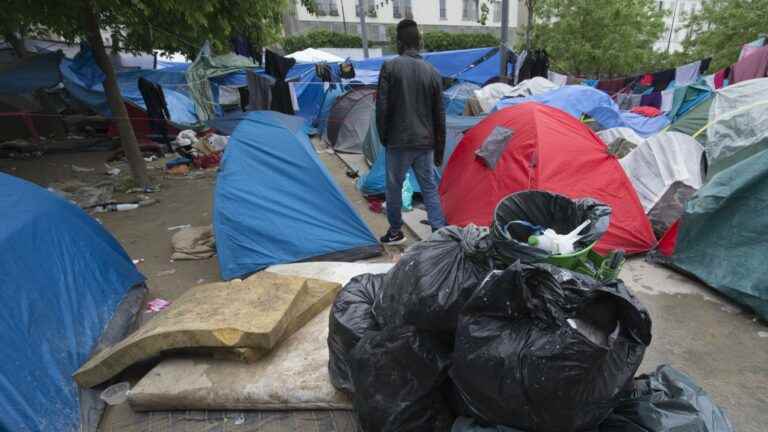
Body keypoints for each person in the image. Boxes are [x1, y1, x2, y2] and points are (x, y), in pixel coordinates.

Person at [376, 19, 447, 245]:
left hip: (398, 141)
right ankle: (438, 234)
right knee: (429, 188)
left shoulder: (390, 67)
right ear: (419, 42)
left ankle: (396, 231)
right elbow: (440, 116)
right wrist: (439, 150)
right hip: (425, 143)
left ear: (399, 43)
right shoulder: (433, 72)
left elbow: (382, 108)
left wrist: (384, 136)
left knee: (394, 188)